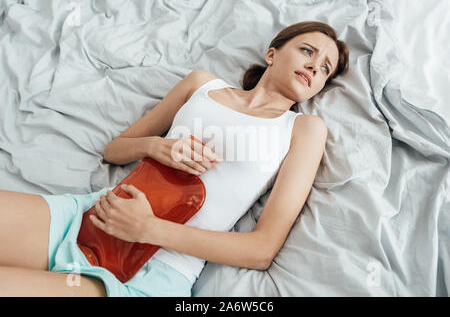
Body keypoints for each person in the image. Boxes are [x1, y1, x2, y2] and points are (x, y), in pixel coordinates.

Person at [0, 21, 349, 297]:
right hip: (95, 215)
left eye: (325, 68)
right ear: (273, 53)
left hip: (158, 268)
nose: (314, 67)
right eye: (307, 51)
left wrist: (149, 228)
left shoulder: (304, 129)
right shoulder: (202, 85)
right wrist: (156, 147)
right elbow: (115, 150)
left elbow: (260, 250)